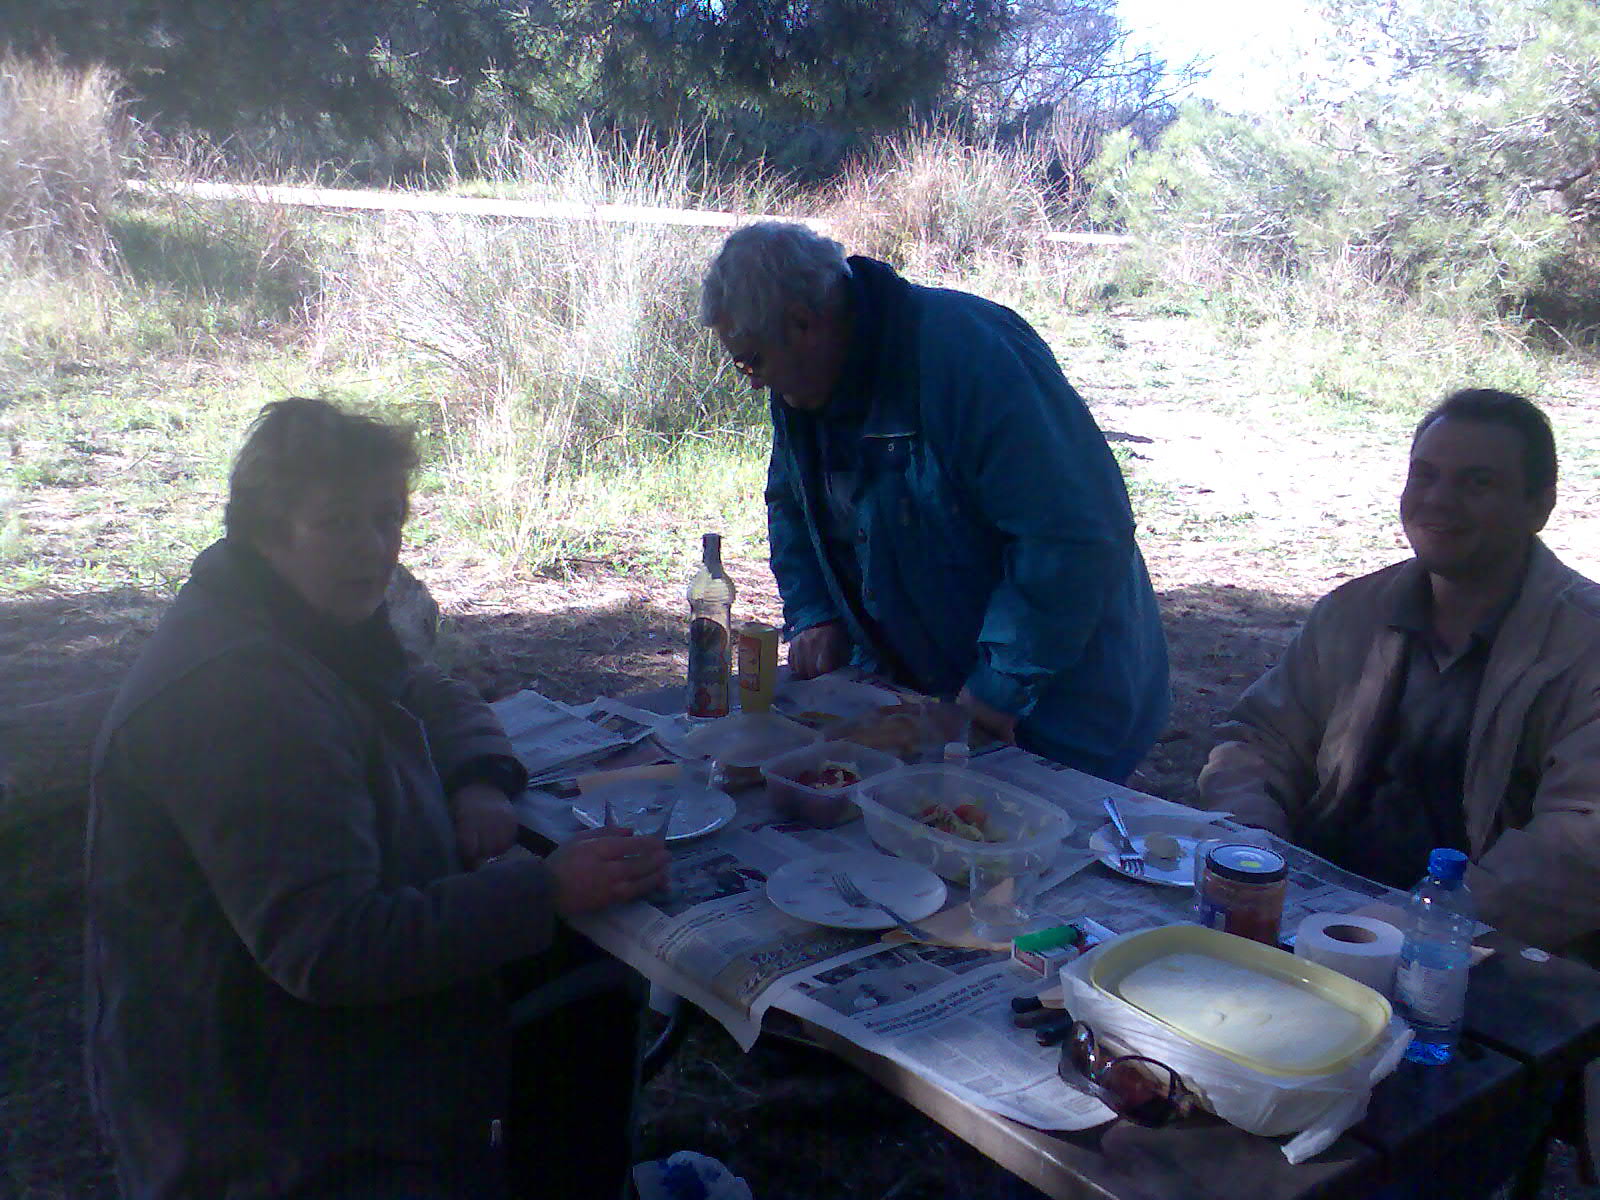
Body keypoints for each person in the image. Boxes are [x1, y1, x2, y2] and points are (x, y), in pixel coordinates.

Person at [84, 397, 670, 1198]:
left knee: (585, 956)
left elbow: (428, 687)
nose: (374, 547)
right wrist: (543, 890)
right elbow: (330, 949)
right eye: (337, 522)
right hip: (267, 1098)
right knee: (585, 969)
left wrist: (478, 777)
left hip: (304, 1020)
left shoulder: (299, 614)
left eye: (387, 517)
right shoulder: (243, 695)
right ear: (266, 529)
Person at [699, 222, 1169, 782]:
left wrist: (998, 689)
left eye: (751, 361)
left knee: (1020, 830)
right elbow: (791, 502)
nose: (752, 382)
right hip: (927, 690)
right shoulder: (802, 379)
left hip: (1055, 698)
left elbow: (1073, 536)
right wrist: (815, 612)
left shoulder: (971, 358)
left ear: (804, 324)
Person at [1197, 388, 1600, 954]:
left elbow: (1581, 843)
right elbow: (1258, 741)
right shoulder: (1355, 612)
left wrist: (1415, 921)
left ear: (1540, 506)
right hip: (1315, 912)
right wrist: (1257, 851)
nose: (1438, 501)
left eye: (1477, 483)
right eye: (1424, 475)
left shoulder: (1584, 646)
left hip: (1478, 951)